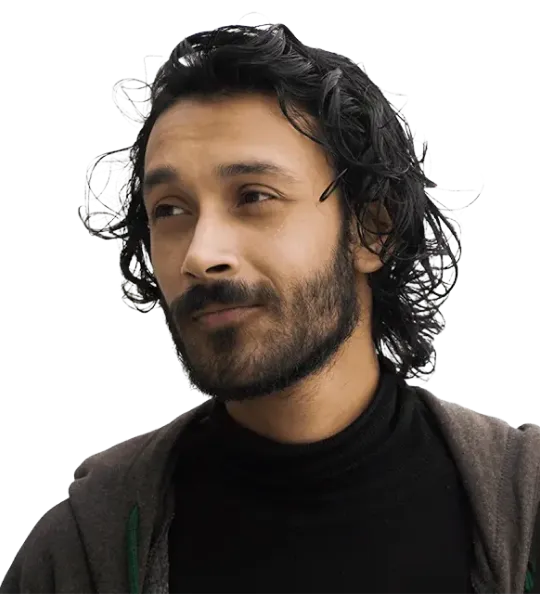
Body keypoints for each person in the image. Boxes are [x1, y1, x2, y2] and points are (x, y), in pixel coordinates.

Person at [2, 23, 538, 594]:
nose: (200, 255)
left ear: (371, 230)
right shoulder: (86, 552)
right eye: (170, 210)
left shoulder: (524, 513)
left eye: (254, 196)